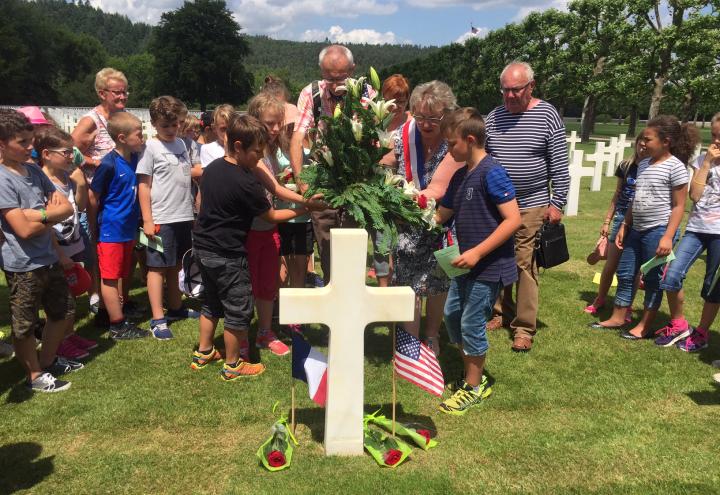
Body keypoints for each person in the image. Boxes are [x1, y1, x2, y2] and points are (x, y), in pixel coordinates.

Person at [190, 113, 308, 380]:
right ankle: (233, 365)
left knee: (211, 303)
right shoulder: (245, 183)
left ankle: (204, 351)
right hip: (228, 253)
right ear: (239, 146)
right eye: (257, 152)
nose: (260, 157)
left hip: (204, 247)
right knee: (238, 308)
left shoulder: (213, 170)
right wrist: (304, 208)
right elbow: (271, 216)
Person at [434, 108, 521, 415]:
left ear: (470, 140)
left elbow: (513, 220)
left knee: (472, 321)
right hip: (463, 264)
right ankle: (473, 370)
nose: (448, 150)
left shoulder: (492, 172)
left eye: (451, 144)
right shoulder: (460, 176)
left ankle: (473, 386)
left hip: (488, 265)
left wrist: (477, 252)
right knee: (452, 315)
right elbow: (441, 215)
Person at [485, 61, 570, 352]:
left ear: (531, 86)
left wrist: (557, 203)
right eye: (505, 90)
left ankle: (523, 327)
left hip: (531, 203)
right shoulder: (493, 117)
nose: (509, 96)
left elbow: (559, 165)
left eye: (516, 90)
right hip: (497, 204)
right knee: (496, 260)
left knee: (524, 264)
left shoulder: (547, 115)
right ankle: (499, 312)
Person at [380, 80, 464, 356]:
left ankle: (431, 335)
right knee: (407, 280)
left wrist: (401, 198)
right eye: (420, 116)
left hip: (442, 221)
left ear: (447, 115)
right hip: (407, 223)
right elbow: (386, 161)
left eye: (433, 118)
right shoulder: (404, 134)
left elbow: (438, 189)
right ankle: (409, 338)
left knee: (438, 283)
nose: (425, 124)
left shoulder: (455, 140)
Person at [0, 109, 81, 392]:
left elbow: (67, 207)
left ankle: (47, 360)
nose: (30, 147)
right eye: (22, 142)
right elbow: (22, 230)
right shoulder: (2, 180)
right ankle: (34, 375)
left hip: (48, 256)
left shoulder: (34, 171)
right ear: (1, 144)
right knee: (24, 325)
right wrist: (48, 215)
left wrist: (34, 214)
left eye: (30, 140)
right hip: (23, 263)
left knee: (63, 312)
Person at [597, 115, 698, 339]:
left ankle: (644, 325)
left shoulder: (676, 167)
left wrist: (667, 237)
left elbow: (679, 206)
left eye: (648, 139)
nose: (643, 143)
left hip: (658, 230)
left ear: (666, 141)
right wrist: (625, 224)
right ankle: (618, 316)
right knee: (625, 273)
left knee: (653, 279)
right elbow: (636, 199)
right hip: (635, 229)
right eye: (643, 138)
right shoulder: (643, 164)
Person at [289, 45, 375, 284]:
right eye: (329, 77)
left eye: (342, 76)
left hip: (357, 180)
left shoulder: (367, 92)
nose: (336, 83)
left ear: (353, 69)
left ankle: (354, 302)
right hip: (324, 180)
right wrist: (301, 182)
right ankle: (332, 301)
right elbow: (298, 137)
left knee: (353, 245)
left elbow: (375, 134)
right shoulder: (311, 93)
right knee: (327, 248)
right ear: (321, 70)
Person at [654, 112, 720, 351]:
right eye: (714, 135)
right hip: (696, 228)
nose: (717, 141)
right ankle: (679, 324)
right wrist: (706, 164)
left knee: (712, 287)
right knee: (670, 275)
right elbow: (695, 195)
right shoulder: (704, 159)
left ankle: (702, 332)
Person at [137, 96, 199, 340]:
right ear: (154, 124)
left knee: (175, 265)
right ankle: (158, 318)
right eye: (166, 126)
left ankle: (175, 308)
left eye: (175, 125)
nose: (172, 130)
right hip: (159, 218)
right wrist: (148, 220)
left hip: (182, 216)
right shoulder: (150, 148)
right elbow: (143, 186)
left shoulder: (182, 145)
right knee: (156, 268)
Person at [36, 126, 98, 359]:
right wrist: (60, 254)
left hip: (73, 243)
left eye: (72, 152)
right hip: (57, 249)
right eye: (66, 152)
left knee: (71, 294)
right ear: (46, 154)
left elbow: (80, 208)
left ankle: (69, 335)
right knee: (61, 300)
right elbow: (48, 223)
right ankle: (59, 342)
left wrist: (81, 185)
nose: (71, 157)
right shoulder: (42, 183)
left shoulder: (66, 177)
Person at [72, 68, 129, 315]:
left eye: (125, 92)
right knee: (98, 246)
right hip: (96, 195)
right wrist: (96, 162)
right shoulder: (91, 121)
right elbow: (68, 153)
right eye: (117, 92)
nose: (123, 97)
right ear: (102, 92)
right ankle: (96, 295)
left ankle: (117, 298)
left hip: (119, 194)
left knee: (116, 249)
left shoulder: (123, 116)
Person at [88, 112, 149, 340]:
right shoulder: (109, 164)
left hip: (127, 228)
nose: (142, 138)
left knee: (122, 273)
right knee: (110, 277)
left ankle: (104, 313)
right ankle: (118, 324)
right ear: (122, 137)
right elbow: (94, 197)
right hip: (111, 229)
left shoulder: (134, 158)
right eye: (139, 134)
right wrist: (94, 227)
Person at [585, 136, 646, 318]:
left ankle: (625, 306)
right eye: (640, 144)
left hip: (641, 220)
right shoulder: (626, 166)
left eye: (646, 145)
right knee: (611, 264)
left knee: (633, 268)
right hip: (621, 216)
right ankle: (600, 298)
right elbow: (617, 194)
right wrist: (607, 221)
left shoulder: (652, 168)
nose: (642, 148)